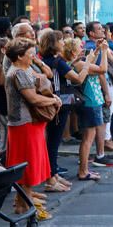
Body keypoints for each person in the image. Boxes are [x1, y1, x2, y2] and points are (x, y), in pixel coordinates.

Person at [4, 38, 60, 220]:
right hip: (24, 124)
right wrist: (53, 100)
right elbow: (33, 99)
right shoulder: (18, 72)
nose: (33, 57)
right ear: (19, 56)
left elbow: (45, 76)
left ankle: (22, 205)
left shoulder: (21, 69)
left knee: (25, 166)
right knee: (27, 168)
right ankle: (29, 209)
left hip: (24, 124)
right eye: (30, 54)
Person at [42, 32, 90, 193]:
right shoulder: (58, 61)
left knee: (52, 141)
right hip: (58, 104)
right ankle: (51, 177)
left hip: (53, 102)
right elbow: (78, 79)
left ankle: (53, 174)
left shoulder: (47, 60)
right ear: (54, 43)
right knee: (53, 142)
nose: (63, 43)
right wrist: (87, 64)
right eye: (60, 40)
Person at [72, 35, 110, 181]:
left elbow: (92, 62)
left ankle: (85, 170)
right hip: (90, 102)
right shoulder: (79, 65)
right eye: (79, 47)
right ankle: (83, 171)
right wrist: (105, 52)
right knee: (88, 139)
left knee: (89, 138)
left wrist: (99, 49)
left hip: (93, 101)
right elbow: (102, 69)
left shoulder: (82, 63)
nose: (83, 49)